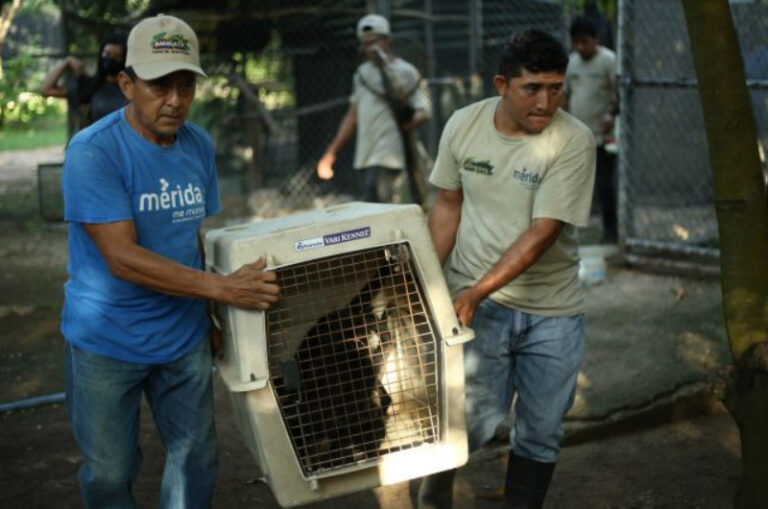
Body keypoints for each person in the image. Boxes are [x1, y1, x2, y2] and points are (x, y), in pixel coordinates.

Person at [60, 14, 280, 508]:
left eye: (186, 86)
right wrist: (222, 290)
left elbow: (189, 235)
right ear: (126, 84)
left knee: (195, 455)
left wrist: (210, 315)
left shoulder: (197, 143)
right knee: (110, 473)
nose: (175, 100)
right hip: (107, 340)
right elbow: (122, 258)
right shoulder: (93, 152)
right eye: (159, 86)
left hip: (182, 336)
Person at [417, 29, 595, 509]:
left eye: (556, 88)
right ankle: (433, 495)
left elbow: (544, 232)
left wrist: (474, 291)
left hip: (553, 312)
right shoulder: (463, 124)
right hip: (480, 308)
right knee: (471, 422)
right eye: (532, 88)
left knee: (540, 432)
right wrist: (428, 284)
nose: (546, 101)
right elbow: (448, 205)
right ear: (501, 84)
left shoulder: (574, 140)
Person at [316, 13, 429, 204]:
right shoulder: (362, 74)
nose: (370, 48)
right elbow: (352, 116)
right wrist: (331, 153)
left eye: (374, 42)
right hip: (366, 154)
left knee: (377, 198)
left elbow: (423, 108)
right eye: (365, 43)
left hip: (391, 153)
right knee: (374, 203)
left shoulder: (405, 71)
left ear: (387, 40)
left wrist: (413, 119)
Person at [564, 15, 619, 243]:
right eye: (577, 42)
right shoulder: (572, 62)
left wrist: (612, 114)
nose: (581, 47)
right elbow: (566, 95)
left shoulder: (609, 60)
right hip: (578, 136)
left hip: (603, 135)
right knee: (573, 184)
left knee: (605, 184)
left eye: (585, 42)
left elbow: (620, 93)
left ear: (596, 39)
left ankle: (610, 230)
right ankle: (572, 231)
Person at [40, 32, 129, 128]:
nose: (110, 59)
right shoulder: (90, 86)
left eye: (117, 57)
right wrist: (67, 61)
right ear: (101, 54)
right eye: (107, 54)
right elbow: (46, 90)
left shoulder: (132, 87)